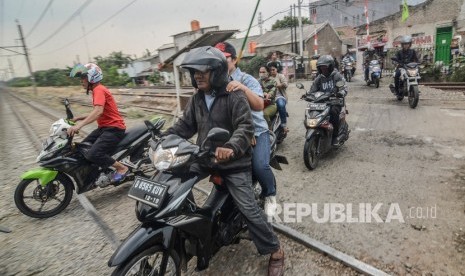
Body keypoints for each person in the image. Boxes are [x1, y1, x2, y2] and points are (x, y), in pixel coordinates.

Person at [164, 46, 284, 275]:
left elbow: (245, 127)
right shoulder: (198, 98)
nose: (197, 76)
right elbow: (185, 126)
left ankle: (275, 248)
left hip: (234, 161)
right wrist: (164, 138)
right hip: (204, 156)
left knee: (248, 208)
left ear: (217, 71)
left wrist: (230, 147)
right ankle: (187, 231)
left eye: (203, 71)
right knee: (173, 177)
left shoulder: (234, 94)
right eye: (194, 72)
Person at [214, 41, 278, 217]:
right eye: (216, 59)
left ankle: (270, 194)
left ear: (234, 60)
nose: (220, 63)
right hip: (232, 135)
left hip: (257, 132)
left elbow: (258, 105)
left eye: (224, 59)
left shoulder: (247, 80)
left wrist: (242, 88)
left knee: (260, 166)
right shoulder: (216, 84)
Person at [67, 63, 128, 183]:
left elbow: (98, 111)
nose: (81, 81)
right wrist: (78, 118)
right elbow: (97, 111)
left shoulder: (98, 89)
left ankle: (122, 168)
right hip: (105, 128)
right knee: (82, 147)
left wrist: (79, 125)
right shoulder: (97, 90)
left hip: (114, 129)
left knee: (93, 153)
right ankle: (98, 171)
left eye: (83, 77)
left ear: (91, 77)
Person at [307, 55, 347, 146]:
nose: (323, 69)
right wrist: (308, 95)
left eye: (325, 67)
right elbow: (312, 90)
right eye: (321, 67)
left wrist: (341, 93)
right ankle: (315, 131)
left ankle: (335, 137)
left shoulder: (337, 76)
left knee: (333, 112)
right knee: (311, 111)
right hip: (322, 102)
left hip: (335, 101)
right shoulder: (319, 78)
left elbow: (344, 88)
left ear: (330, 66)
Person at [268, 62, 289, 133]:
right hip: (270, 98)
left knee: (281, 105)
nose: (272, 71)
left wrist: (276, 85)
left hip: (279, 96)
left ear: (276, 69)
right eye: (270, 70)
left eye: (273, 70)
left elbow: (285, 84)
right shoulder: (268, 78)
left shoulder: (280, 76)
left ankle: (284, 124)